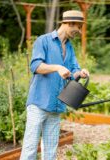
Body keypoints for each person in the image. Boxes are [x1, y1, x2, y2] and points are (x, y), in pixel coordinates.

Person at [20, 10, 89, 160]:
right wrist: (57, 67)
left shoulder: (69, 47)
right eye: (78, 27)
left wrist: (80, 72)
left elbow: (73, 70)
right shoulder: (43, 41)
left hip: (56, 105)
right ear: (69, 23)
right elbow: (35, 66)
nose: (79, 31)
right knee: (30, 148)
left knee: (50, 151)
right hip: (39, 103)